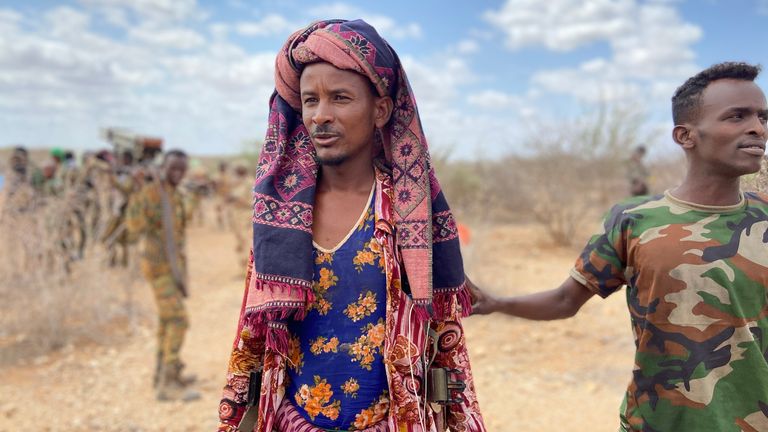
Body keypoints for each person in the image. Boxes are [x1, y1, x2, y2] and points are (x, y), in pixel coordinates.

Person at [217, 19, 485, 432]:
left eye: (340, 98)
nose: (321, 116)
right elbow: (252, 339)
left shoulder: (407, 212)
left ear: (380, 110)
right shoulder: (282, 216)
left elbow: (445, 341)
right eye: (310, 100)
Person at [470, 62, 768, 432]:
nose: (757, 127)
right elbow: (566, 301)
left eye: (762, 116)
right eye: (737, 116)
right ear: (685, 136)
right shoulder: (634, 220)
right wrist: (495, 303)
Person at [126, 149, 200, 401]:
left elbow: (182, 224)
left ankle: (165, 372)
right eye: (173, 169)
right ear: (163, 167)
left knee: (166, 321)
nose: (177, 174)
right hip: (158, 269)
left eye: (182, 169)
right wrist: (138, 193)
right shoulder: (151, 193)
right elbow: (133, 229)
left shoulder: (174, 194)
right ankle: (167, 385)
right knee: (178, 320)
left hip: (172, 267)